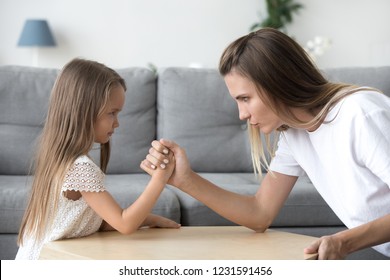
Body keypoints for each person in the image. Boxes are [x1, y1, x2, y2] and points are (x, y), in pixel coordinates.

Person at [141, 28, 390, 260]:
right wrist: (185, 179)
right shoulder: (294, 134)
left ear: (277, 82)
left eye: (246, 98)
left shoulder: (361, 114)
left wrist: (345, 242)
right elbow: (260, 213)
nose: (242, 114)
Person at [16, 58, 179, 260]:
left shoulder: (60, 157)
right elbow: (124, 223)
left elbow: (82, 221)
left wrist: (147, 218)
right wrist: (160, 177)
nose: (117, 123)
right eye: (112, 113)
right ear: (83, 111)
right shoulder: (80, 168)